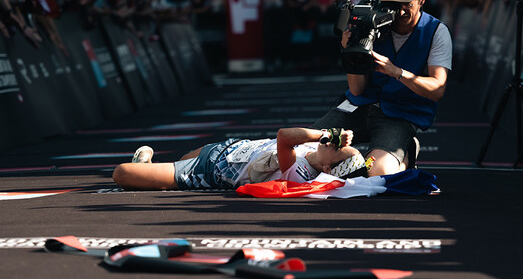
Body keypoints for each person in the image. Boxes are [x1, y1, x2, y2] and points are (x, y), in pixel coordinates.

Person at [312, 0, 452, 176]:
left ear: (421, 0)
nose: (401, 12)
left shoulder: (436, 31)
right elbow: (357, 90)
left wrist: (397, 72)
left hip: (400, 113)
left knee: (377, 172)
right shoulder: (372, 22)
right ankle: (355, 158)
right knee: (309, 149)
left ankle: (405, 156)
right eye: (394, 5)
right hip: (359, 106)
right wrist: (350, 53)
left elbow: (438, 89)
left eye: (407, 5)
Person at [112, 127, 360, 191]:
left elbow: (284, 137)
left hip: (209, 171)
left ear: (328, 166)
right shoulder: (312, 147)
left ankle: (142, 169)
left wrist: (326, 133)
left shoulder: (300, 175)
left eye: (337, 148)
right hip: (229, 148)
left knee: (123, 175)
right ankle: (149, 169)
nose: (333, 142)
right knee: (181, 159)